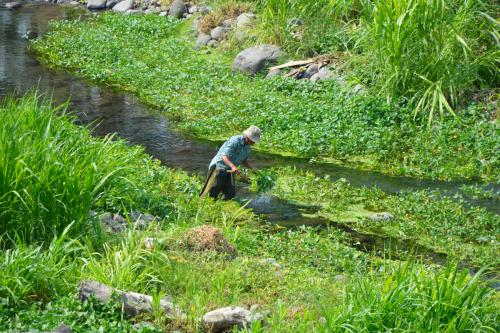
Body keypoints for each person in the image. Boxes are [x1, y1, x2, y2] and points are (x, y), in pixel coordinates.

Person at [200, 125, 260, 200]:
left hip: (230, 169)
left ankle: (222, 205)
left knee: (230, 193)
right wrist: (233, 167)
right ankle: (207, 204)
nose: (253, 143)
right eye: (253, 140)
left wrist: (253, 168)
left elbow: (244, 160)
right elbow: (224, 156)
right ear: (247, 137)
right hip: (219, 167)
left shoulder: (247, 147)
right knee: (212, 191)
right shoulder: (235, 141)